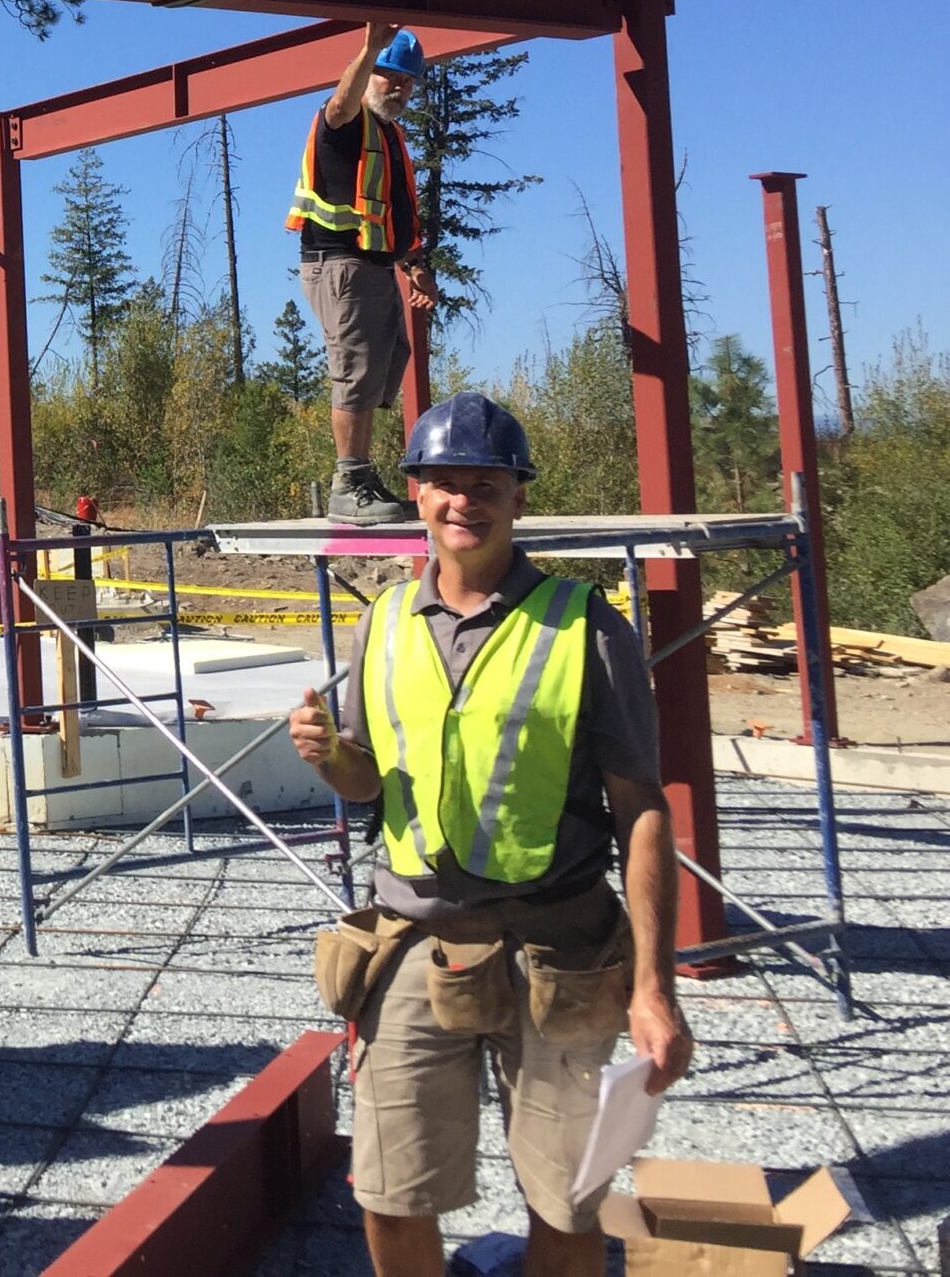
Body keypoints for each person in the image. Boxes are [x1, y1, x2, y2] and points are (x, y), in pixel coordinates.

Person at [289, 392, 693, 1277]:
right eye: (442, 483)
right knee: (390, 1195)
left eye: (484, 484)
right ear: (415, 495)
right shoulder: (381, 623)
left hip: (556, 948)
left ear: (518, 498)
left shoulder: (587, 625)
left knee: (567, 1198)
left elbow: (642, 807)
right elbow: (373, 783)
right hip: (414, 945)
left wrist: (654, 987)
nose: (461, 501)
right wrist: (332, 759)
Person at [286, 21, 439, 524]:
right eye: (387, 75)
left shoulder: (389, 135)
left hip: (372, 267)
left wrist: (414, 266)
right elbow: (339, 104)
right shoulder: (345, 122)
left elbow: (394, 210)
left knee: (385, 357)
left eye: (407, 80)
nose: (398, 86)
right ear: (366, 73)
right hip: (340, 267)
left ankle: (361, 472)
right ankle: (347, 483)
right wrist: (369, 48)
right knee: (356, 368)